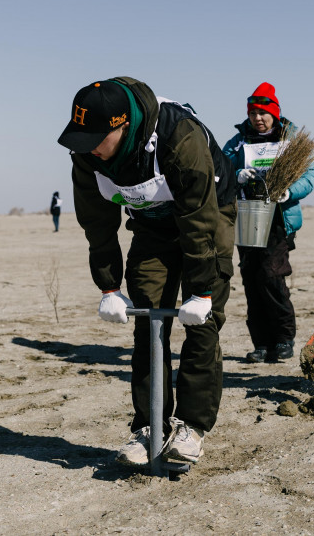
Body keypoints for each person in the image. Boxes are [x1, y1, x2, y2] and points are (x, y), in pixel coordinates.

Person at [58, 76, 236, 467]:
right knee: (149, 321)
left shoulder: (179, 137)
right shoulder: (86, 154)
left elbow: (199, 219)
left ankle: (191, 427)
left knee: (202, 324)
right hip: (152, 226)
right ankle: (151, 425)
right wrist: (108, 287)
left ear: (122, 126)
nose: (87, 151)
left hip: (208, 217)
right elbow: (97, 223)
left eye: (94, 140)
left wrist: (202, 290)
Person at [222, 82, 314, 363]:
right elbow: (221, 168)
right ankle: (261, 344)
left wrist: (289, 192)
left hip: (278, 220)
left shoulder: (292, 141)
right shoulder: (237, 142)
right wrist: (237, 174)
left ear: (274, 113)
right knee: (251, 279)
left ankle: (284, 339)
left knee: (271, 276)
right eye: (253, 113)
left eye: (263, 113)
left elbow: (310, 176)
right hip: (247, 217)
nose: (257, 119)